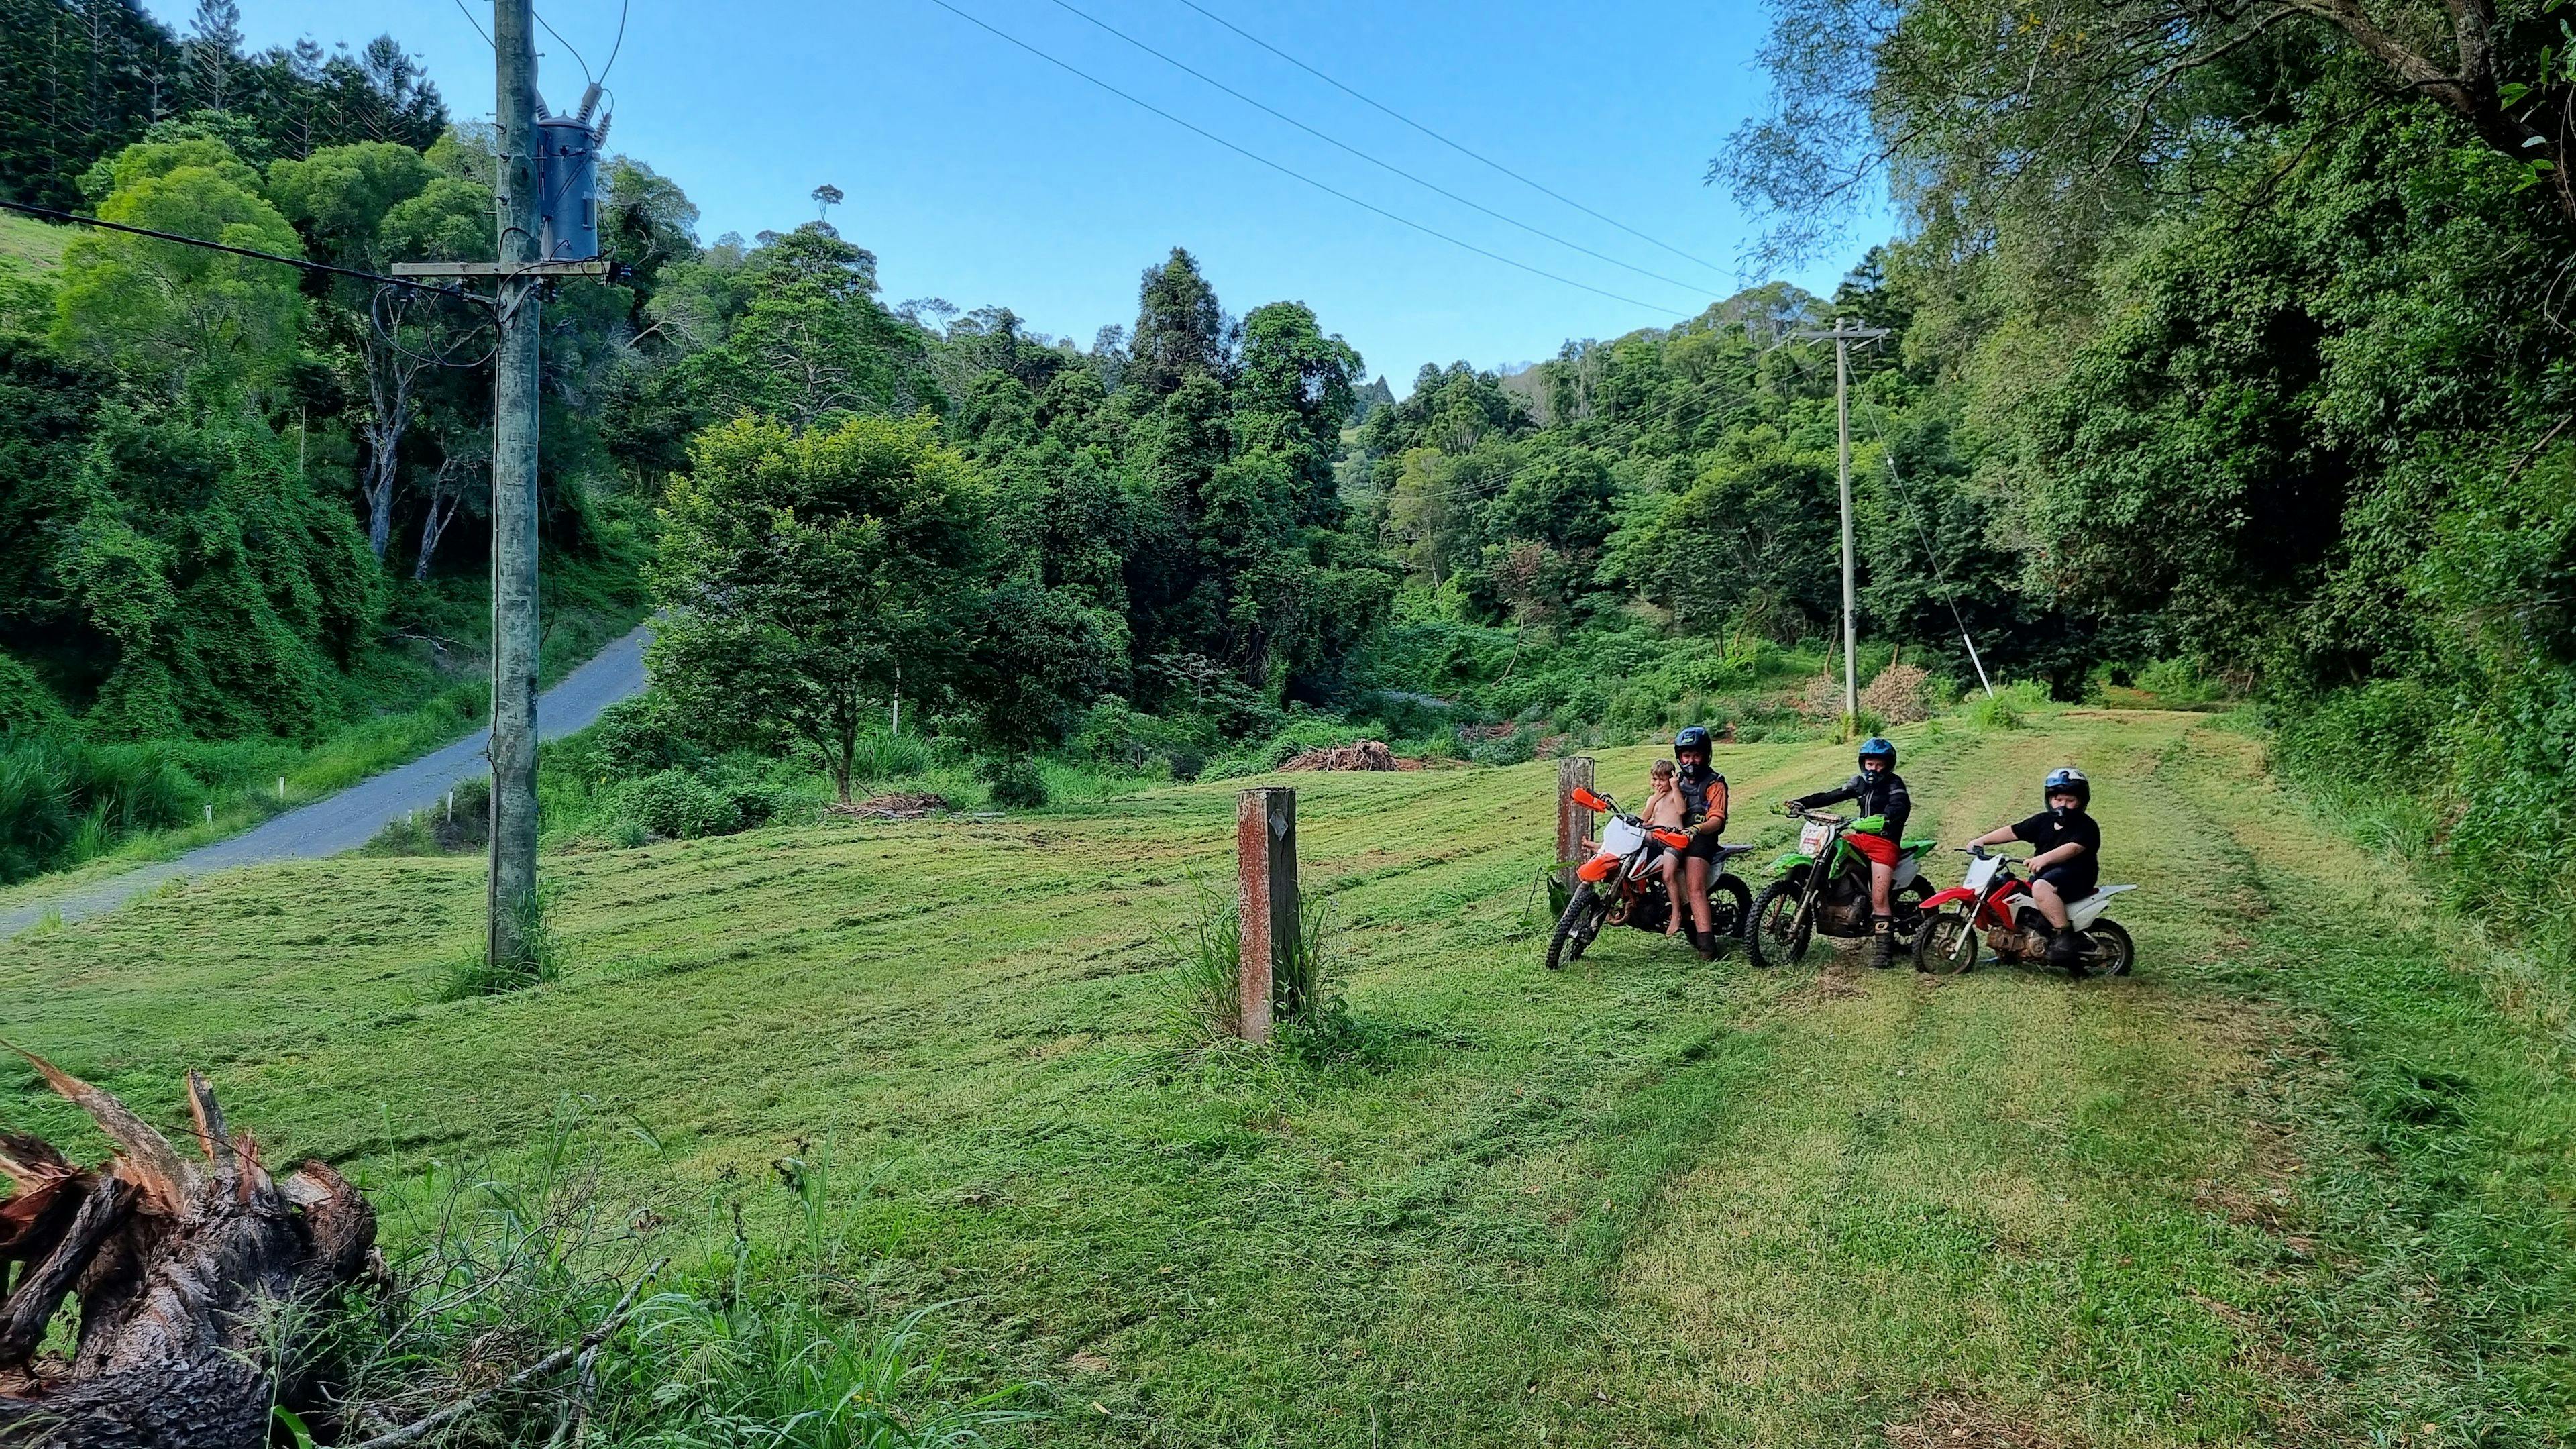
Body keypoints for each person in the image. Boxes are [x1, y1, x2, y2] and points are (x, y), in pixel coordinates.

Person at [1782, 737, 1911, 967]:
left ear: (1888, 765)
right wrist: (1800, 803)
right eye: (1870, 764)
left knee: (1880, 897)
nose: (1874, 769)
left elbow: (1900, 807)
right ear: (1863, 764)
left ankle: (1884, 953)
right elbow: (1830, 796)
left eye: (1880, 765)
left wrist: (1885, 819)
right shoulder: (1858, 784)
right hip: (1859, 837)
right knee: (1829, 851)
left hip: (1884, 842)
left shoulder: (1894, 784)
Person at [1964, 767, 2100, 970]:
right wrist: (1981, 840)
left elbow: (2073, 848)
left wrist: (2044, 859)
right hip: (2047, 876)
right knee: (2014, 895)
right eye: (2058, 799)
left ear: (2080, 801)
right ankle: (2014, 948)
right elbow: (2013, 831)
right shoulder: (2043, 821)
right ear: (2050, 799)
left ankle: (2065, 937)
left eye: (2069, 800)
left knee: (2040, 888)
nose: (2062, 805)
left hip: (2077, 875)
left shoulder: (2087, 826)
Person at [1671, 724, 1731, 959]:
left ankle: (1708, 946)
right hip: (1675, 835)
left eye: (1696, 755)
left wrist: (1696, 829)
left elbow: (1717, 819)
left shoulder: (1715, 783)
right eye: (1686, 756)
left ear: (1706, 755)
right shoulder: (1676, 782)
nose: (1691, 761)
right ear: (1679, 757)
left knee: (1695, 887)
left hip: (1702, 839)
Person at [1638, 759, 1688, 938]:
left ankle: (1677, 913)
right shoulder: (1653, 799)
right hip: (1656, 838)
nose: (1657, 784)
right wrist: (1655, 800)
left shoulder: (1675, 794)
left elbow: (1682, 811)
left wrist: (1675, 787)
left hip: (1674, 841)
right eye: (1654, 779)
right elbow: (1644, 819)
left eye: (1662, 780)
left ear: (1672, 779)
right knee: (1633, 843)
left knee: (1668, 875)